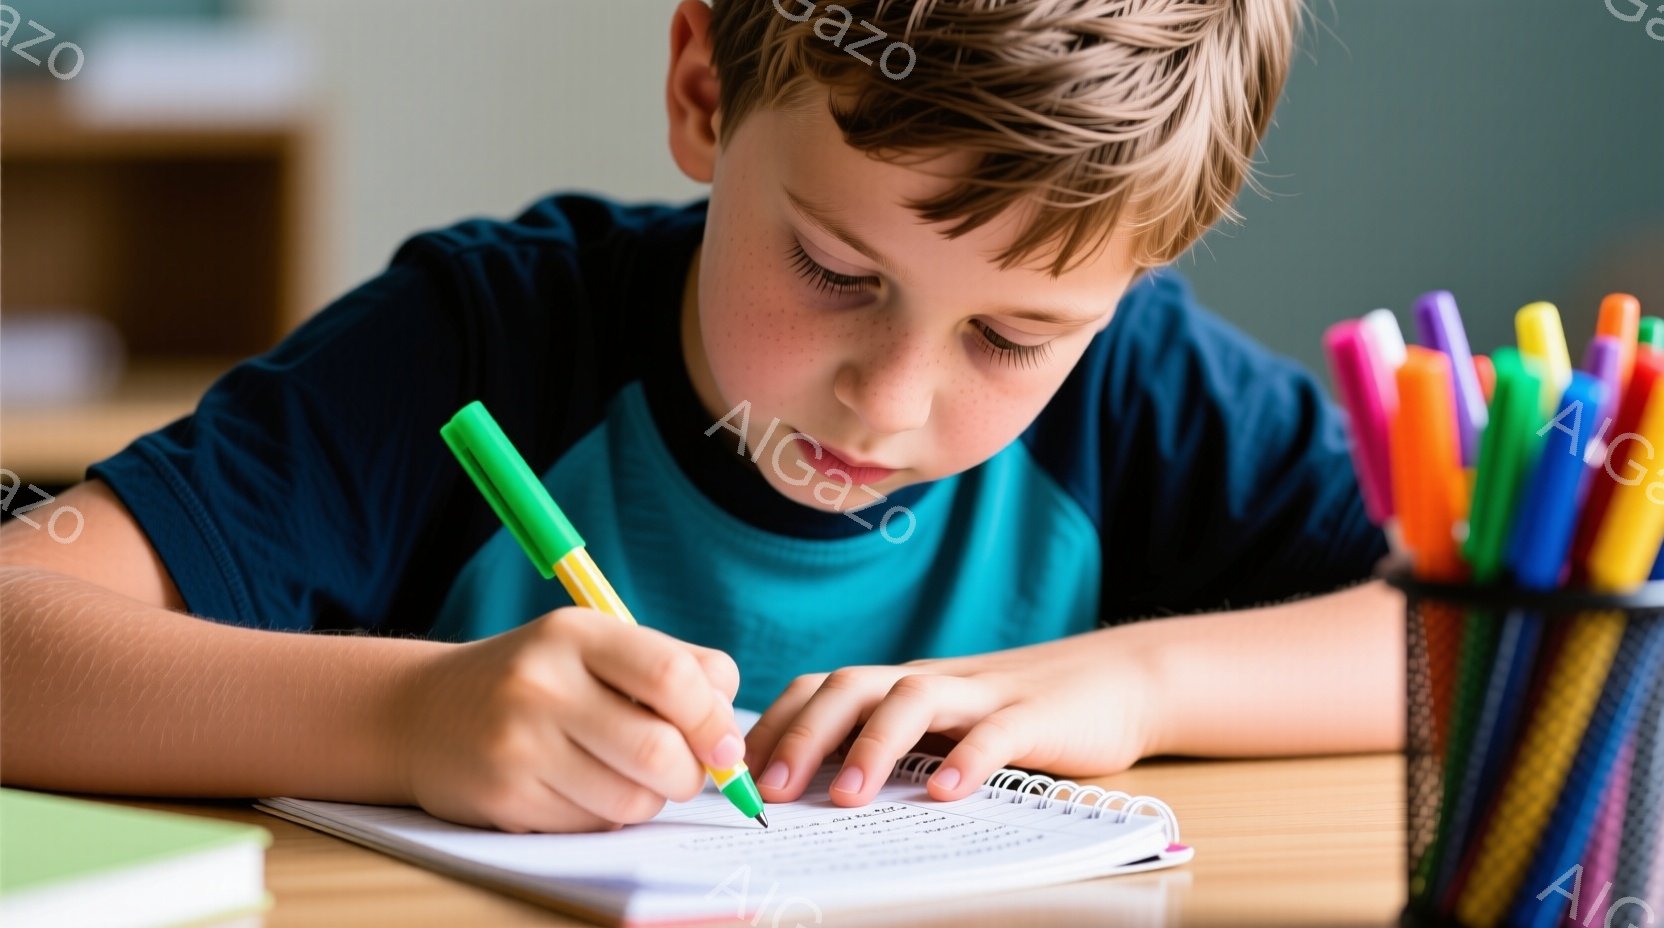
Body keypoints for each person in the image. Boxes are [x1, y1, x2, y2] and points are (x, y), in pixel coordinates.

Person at [0, 0, 1402, 834]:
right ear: (702, 88)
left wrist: (1135, 687)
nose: (892, 399)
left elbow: (1512, 635)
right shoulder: (478, 345)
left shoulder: (1145, 387)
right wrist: (408, 722)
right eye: (835, 272)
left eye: (1015, 336)